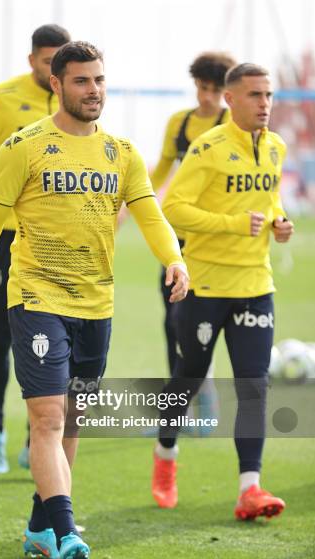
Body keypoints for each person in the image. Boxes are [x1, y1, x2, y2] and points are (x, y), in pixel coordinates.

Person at [0, 41, 189, 559]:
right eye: (81, 81)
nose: (93, 90)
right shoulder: (24, 147)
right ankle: (64, 531)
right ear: (56, 84)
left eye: (99, 80)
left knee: (72, 421)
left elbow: (149, 215)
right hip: (35, 297)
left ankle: (40, 526)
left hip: (96, 302)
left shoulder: (122, 152)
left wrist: (174, 259)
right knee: (48, 416)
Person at [151, 63, 294, 520]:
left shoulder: (275, 147)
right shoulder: (207, 148)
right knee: (189, 376)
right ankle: (166, 453)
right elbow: (173, 208)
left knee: (253, 387)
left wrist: (278, 221)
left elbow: (268, 199)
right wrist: (233, 224)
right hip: (206, 286)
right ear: (231, 99)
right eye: (255, 95)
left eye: (268, 95)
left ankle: (249, 488)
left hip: (255, 284)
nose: (265, 104)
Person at [0, 24, 71, 474]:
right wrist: (7, 188)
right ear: (32, 61)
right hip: (4, 236)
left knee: (53, 338)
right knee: (1, 336)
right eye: (48, 61)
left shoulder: (74, 102)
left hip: (54, 241)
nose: (57, 70)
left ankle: (36, 437)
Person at [151, 54, 236, 436]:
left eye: (216, 91)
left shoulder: (231, 125)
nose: (207, 97)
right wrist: (125, 205)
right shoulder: (179, 123)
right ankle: (177, 408)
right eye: (203, 88)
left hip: (214, 239)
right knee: (173, 322)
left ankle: (206, 397)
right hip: (177, 235)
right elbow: (160, 171)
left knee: (201, 320)